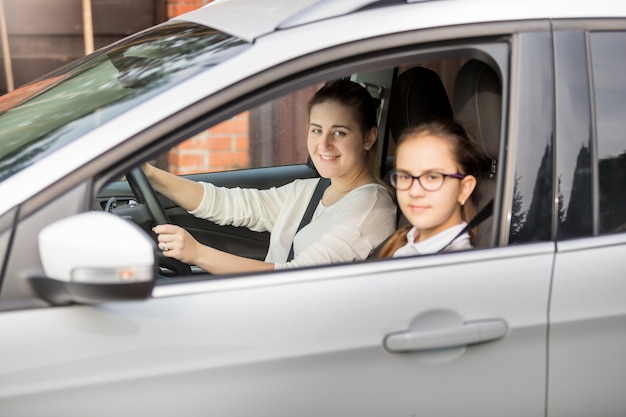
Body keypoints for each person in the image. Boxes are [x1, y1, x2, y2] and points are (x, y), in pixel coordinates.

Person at [142, 79, 396, 274]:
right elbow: (231, 204)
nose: (324, 144)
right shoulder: (310, 191)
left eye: (339, 133)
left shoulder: (370, 205)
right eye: (317, 130)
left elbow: (299, 279)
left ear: (368, 138)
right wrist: (151, 175)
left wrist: (197, 254)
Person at [373, 119, 488, 258]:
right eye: (405, 176)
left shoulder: (457, 267)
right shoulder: (403, 242)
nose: (415, 192)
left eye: (433, 177)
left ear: (464, 189)